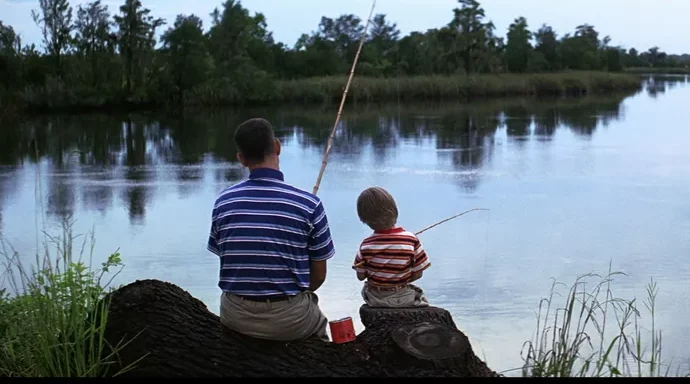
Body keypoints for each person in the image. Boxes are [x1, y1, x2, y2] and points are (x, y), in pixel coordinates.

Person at [207, 117, 335, 342]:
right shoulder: (309, 204)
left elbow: (228, 258)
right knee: (320, 328)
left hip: (235, 316)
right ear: (277, 147)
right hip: (289, 319)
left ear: (241, 159)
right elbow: (319, 276)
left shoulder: (223, 202)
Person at [352, 186, 431, 308]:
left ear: (364, 219)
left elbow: (360, 277)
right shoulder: (411, 240)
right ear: (394, 210)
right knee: (421, 297)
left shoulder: (365, 245)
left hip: (374, 298)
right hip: (403, 296)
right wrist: (400, 280)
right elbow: (418, 274)